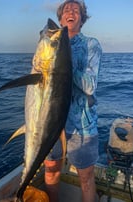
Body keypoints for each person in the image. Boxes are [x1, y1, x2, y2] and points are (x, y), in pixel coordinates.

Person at [44, 0, 102, 201]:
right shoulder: (49, 45)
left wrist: (63, 65)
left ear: (81, 19)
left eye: (76, 10)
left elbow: (90, 86)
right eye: (66, 10)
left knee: (85, 178)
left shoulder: (91, 45)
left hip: (82, 126)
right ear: (61, 18)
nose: (71, 11)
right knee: (51, 171)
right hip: (51, 124)